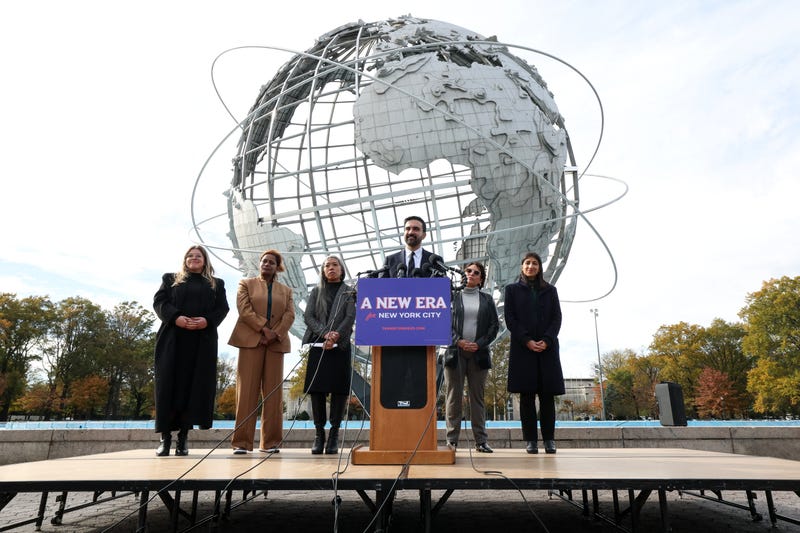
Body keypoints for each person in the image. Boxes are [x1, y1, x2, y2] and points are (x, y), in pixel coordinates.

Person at [153, 245, 229, 457]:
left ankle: (183, 438)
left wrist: (207, 321)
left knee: (193, 388)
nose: (194, 258)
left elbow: (222, 308)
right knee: (168, 386)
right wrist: (175, 317)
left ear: (205, 261)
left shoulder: (216, 284)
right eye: (190, 256)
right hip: (172, 340)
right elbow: (159, 302)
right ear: (185, 260)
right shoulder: (170, 279)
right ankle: (165, 438)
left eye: (198, 256)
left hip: (201, 342)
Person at [228, 249, 295, 454]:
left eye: (271, 262)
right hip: (251, 342)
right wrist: (263, 329)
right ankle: (242, 442)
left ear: (277, 267)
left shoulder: (286, 291)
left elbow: (290, 314)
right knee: (247, 392)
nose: (267, 264)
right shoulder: (245, 284)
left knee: (273, 395)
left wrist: (275, 334)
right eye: (264, 261)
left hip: (275, 343)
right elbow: (244, 309)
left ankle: (271, 442)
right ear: (259, 264)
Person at [504, 252, 565, 454]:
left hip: (547, 350)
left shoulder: (550, 291)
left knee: (547, 396)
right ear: (522, 267)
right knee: (527, 396)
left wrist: (546, 340)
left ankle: (549, 439)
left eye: (535, 263)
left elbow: (557, 318)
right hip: (523, 349)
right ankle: (530, 440)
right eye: (527, 263)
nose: (531, 266)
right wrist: (527, 340)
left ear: (539, 267)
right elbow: (510, 319)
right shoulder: (511, 290)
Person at [302, 256, 356, 454]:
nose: (331, 268)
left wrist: (336, 336)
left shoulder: (349, 292)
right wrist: (325, 333)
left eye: (334, 265)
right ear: (323, 271)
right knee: (317, 390)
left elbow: (350, 317)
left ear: (341, 269)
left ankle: (333, 436)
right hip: (318, 345)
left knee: (339, 391)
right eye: (327, 266)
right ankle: (319, 435)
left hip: (340, 347)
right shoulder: (316, 291)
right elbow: (308, 316)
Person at [444, 261, 499, 453]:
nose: (471, 274)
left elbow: (494, 326)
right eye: (468, 271)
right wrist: (458, 340)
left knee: (477, 398)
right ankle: (452, 440)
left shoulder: (487, 299)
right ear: (463, 274)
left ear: (481, 279)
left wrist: (480, 343)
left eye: (476, 273)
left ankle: (481, 441)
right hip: (455, 353)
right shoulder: (451, 297)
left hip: (479, 354)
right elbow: (443, 322)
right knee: (453, 397)